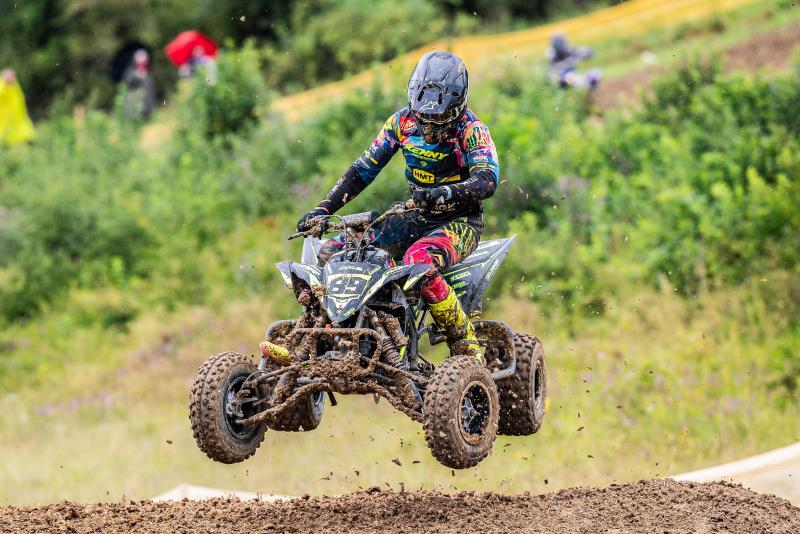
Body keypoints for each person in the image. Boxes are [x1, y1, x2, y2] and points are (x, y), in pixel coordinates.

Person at [296, 51, 499, 361]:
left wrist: (445, 193)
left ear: (457, 109)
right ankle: (315, 335)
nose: (429, 129)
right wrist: (323, 210)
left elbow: (487, 180)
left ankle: (466, 346)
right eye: (423, 119)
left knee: (420, 260)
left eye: (439, 121)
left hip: (460, 222)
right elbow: (362, 171)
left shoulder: (472, 130)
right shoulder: (401, 123)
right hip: (413, 217)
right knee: (335, 251)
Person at [0, 69, 35, 146]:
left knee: (25, 136)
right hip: (6, 119)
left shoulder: (15, 86)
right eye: (10, 77)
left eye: (13, 77)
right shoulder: (2, 87)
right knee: (8, 138)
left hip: (19, 116)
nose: (12, 79)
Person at [122, 49, 156, 120]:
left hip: (148, 106)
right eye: (141, 60)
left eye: (144, 60)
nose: (143, 63)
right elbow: (127, 82)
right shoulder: (131, 72)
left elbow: (151, 91)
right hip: (135, 106)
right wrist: (136, 76)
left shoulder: (148, 72)